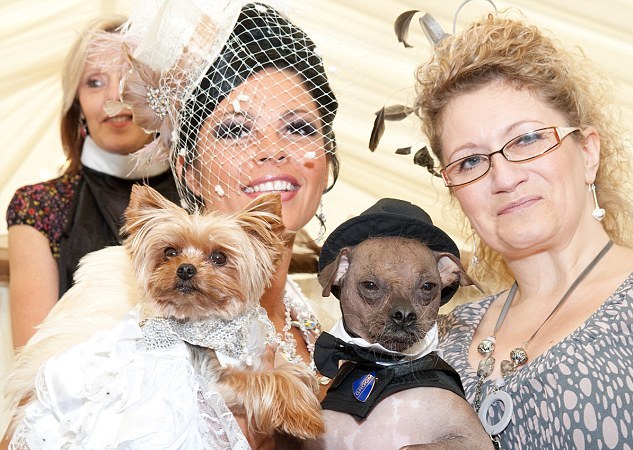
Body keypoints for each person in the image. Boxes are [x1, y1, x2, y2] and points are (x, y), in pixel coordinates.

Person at [3, 3, 338, 449]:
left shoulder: (321, 317)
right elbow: (26, 430)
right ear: (187, 169)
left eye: (298, 127)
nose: (272, 149)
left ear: (327, 156)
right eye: (235, 130)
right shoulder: (113, 297)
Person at [414, 11, 633, 449]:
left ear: (588, 153)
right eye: (470, 161)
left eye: (527, 139)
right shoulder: (445, 334)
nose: (504, 177)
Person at [5, 15, 179, 349]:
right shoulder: (39, 205)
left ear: (160, 93)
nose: (114, 96)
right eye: (95, 82)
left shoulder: (203, 195)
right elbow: (31, 359)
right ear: (78, 104)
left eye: (129, 77)